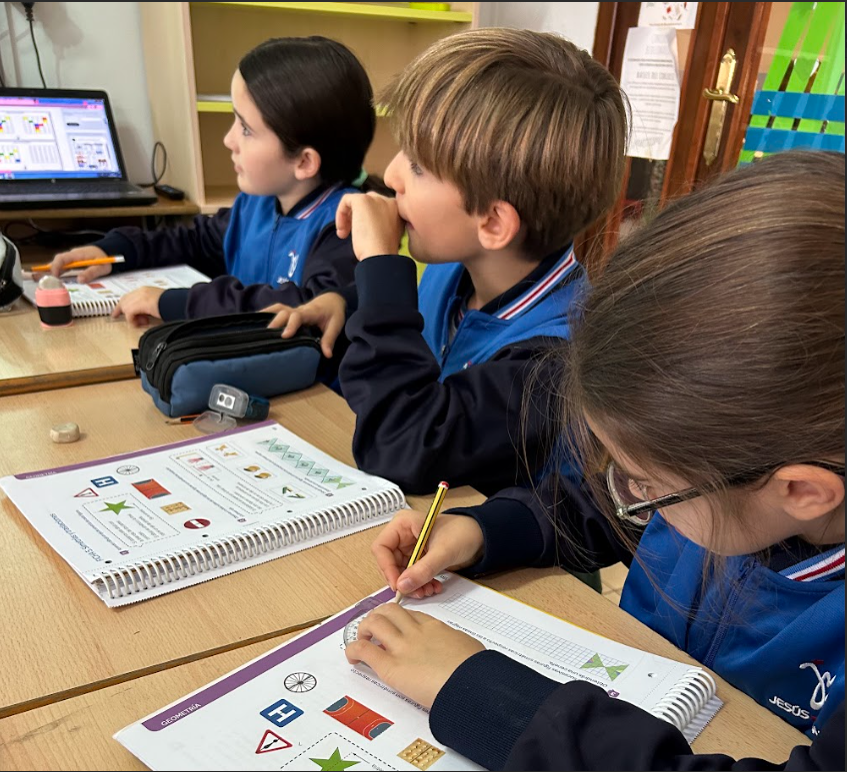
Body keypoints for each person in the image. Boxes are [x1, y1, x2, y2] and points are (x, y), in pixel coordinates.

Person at [346, 151, 845, 770]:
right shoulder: (733, 465)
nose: (627, 491)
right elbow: (603, 505)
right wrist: (483, 530)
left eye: (648, 482)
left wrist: (489, 700)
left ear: (803, 492)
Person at [266, 28, 628, 495]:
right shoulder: (457, 267)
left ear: (494, 224)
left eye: (417, 166)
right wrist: (348, 302)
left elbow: (403, 447)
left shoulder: (554, 362)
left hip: (505, 565)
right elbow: (418, 339)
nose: (391, 174)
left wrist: (379, 264)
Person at [50, 36, 375, 326]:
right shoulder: (257, 204)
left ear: (304, 161)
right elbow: (192, 241)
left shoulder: (344, 226)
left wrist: (176, 302)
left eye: (246, 129)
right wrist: (115, 251)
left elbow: (300, 305)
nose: (228, 139)